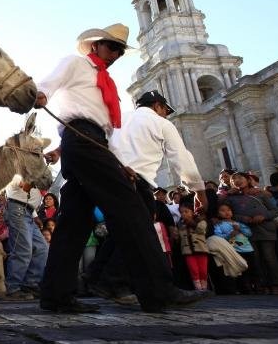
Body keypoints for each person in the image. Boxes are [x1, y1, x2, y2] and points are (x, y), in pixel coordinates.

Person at [35, 23, 209, 313]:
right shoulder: (76, 64)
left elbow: (105, 130)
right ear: (96, 45)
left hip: (92, 142)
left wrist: (120, 163)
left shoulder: (106, 84)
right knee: (132, 211)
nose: (116, 53)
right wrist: (41, 94)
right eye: (112, 46)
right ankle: (158, 291)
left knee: (74, 222)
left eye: (119, 50)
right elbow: (50, 82)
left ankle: (56, 295)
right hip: (80, 138)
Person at [88, 90, 208, 298]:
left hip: (110, 178)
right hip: (136, 182)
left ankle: (96, 277)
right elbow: (181, 157)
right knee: (140, 234)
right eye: (165, 110)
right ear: (157, 106)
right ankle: (116, 281)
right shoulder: (161, 124)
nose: (165, 114)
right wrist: (198, 190)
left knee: (121, 232)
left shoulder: (120, 118)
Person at [221, 172, 278, 294]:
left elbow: (275, 211)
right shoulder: (231, 198)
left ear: (248, 180)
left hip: (265, 229)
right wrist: (245, 219)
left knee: (269, 257)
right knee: (255, 259)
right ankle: (262, 284)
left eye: (240, 177)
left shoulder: (260, 194)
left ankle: (277, 284)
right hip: (247, 232)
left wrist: (263, 216)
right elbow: (228, 214)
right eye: (234, 179)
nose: (237, 180)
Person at [3, 175, 47, 300]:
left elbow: (27, 198)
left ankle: (30, 284)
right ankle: (12, 287)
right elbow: (16, 180)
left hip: (27, 211)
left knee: (42, 248)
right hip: (18, 210)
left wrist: (34, 215)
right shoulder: (21, 166)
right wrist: (22, 183)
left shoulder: (34, 170)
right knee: (22, 250)